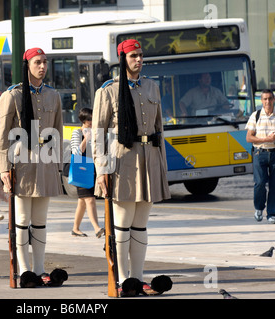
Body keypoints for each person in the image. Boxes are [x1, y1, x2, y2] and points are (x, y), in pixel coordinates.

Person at [92, 39, 171, 293]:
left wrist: (161, 167)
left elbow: (159, 129)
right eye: (133, 56)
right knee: (122, 223)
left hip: (149, 159)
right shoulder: (108, 91)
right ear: (122, 59)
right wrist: (102, 170)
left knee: (141, 223)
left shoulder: (152, 87)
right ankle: (123, 279)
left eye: (140, 55)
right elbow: (98, 134)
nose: (138, 59)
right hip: (122, 160)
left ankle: (138, 278)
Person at [0, 47, 63, 284]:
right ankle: (24, 270)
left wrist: (57, 166)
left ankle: (39, 268)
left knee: (41, 220)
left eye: (45, 62)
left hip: (45, 161)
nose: (42, 66)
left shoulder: (53, 95)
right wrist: (4, 169)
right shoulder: (12, 96)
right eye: (37, 62)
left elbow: (57, 132)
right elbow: (2, 136)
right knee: (22, 220)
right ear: (27, 65)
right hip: (21, 162)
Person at [246, 89, 275, 224]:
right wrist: (266, 139)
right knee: (259, 183)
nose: (267, 102)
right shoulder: (255, 115)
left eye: (270, 98)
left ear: (273, 99)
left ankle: (271, 214)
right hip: (260, 153)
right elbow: (249, 138)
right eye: (265, 99)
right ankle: (258, 208)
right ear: (262, 101)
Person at [70, 107, 104, 238]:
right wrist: (86, 139)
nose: (91, 121)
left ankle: (75, 228)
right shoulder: (77, 133)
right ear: (83, 120)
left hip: (93, 170)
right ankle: (96, 228)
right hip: (81, 170)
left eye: (92, 118)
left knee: (82, 202)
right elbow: (76, 153)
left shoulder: (96, 132)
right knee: (90, 199)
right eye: (88, 119)